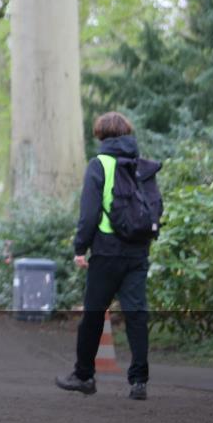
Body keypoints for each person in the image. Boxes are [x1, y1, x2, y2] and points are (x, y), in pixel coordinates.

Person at [56, 111, 162, 401]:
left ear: (100, 135)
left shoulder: (99, 165)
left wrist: (80, 248)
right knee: (136, 315)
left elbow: (89, 214)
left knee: (92, 315)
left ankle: (84, 375)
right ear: (127, 133)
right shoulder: (141, 165)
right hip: (138, 251)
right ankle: (139, 383)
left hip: (106, 251)